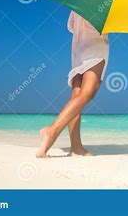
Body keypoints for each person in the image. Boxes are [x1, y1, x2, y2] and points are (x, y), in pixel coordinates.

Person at [36, 11, 109, 158]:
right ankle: (51, 131)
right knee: (86, 95)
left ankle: (76, 147)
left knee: (76, 96)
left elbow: (71, 26)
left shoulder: (79, 2)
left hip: (78, 50)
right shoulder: (105, 0)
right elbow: (105, 25)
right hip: (95, 49)